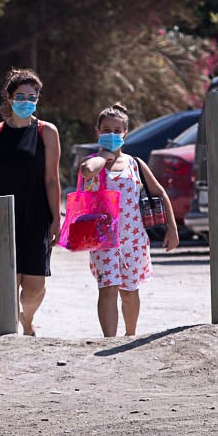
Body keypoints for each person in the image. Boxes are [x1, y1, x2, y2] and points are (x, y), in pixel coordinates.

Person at [78, 103, 179, 337]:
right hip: (103, 239)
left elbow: (160, 193)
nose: (112, 135)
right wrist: (105, 155)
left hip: (133, 240)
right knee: (107, 288)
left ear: (125, 133)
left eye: (117, 130)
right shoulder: (94, 162)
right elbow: (86, 171)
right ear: (98, 131)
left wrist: (172, 229)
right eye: (106, 130)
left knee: (129, 291)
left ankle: (130, 335)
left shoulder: (135, 164)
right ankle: (109, 340)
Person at [0, 67, 61, 336]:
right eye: (21, 96)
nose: (27, 102)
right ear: (10, 98)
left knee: (35, 285)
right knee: (8, 280)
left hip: (36, 214)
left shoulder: (47, 132)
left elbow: (51, 179)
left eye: (32, 97)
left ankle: (27, 318)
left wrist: (57, 217)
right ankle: (9, 333)